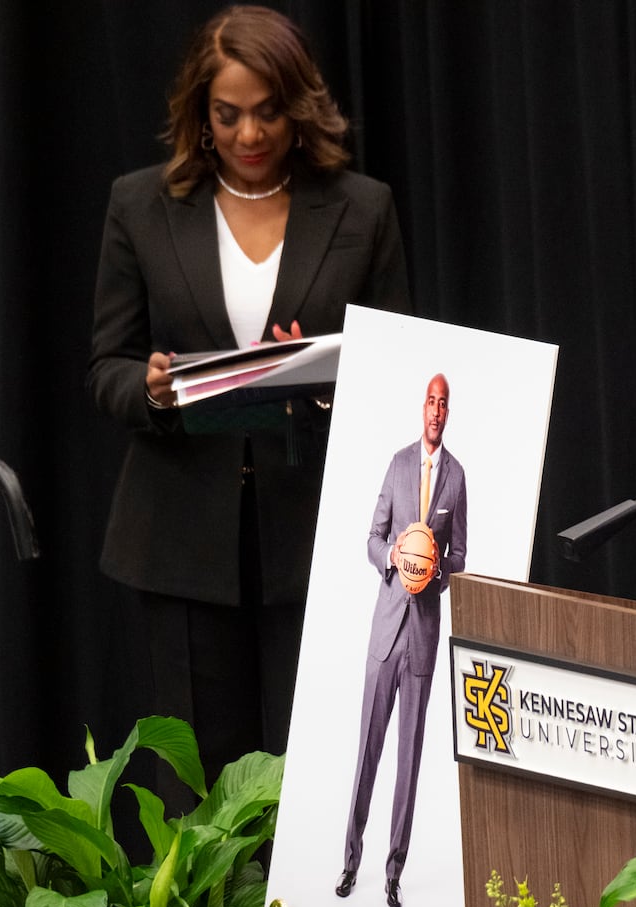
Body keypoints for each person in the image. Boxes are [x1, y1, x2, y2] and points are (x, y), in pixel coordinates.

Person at [87, 4, 410, 779]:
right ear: (200, 114)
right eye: (227, 116)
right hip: (181, 537)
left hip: (319, 532)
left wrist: (321, 384)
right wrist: (156, 389)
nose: (249, 135)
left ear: (299, 108)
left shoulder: (363, 210)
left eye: (268, 113)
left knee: (321, 774)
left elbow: (401, 369)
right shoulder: (140, 204)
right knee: (199, 785)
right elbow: (108, 367)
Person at [337, 373, 467, 907]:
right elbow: (372, 536)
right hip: (385, 630)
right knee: (368, 750)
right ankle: (350, 862)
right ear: (422, 408)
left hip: (423, 639)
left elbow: (460, 554)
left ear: (449, 412)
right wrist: (394, 556)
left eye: (444, 403)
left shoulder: (457, 478)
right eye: (430, 401)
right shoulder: (396, 464)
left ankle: (393, 872)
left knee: (408, 761)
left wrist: (435, 570)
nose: (436, 410)